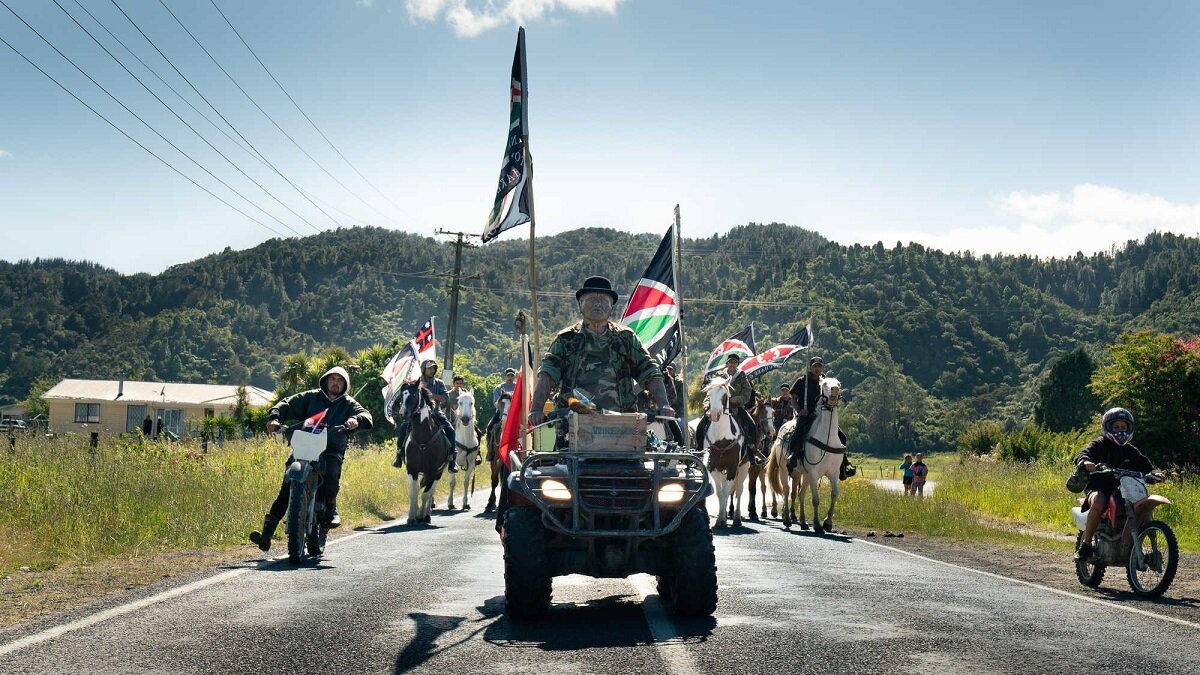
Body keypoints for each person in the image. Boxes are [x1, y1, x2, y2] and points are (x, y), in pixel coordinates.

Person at [250, 367, 372, 549]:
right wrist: (274, 417)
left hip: (331, 449)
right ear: (325, 380)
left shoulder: (348, 403)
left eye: (340, 380)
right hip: (306, 445)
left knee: (331, 473)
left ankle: (331, 509)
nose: (335, 382)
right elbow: (287, 404)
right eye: (332, 379)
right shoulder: (311, 397)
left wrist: (356, 420)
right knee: (286, 486)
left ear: (345, 384)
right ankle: (266, 535)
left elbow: (366, 415)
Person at [1072, 408, 1164, 562]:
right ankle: (1086, 545)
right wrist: (1086, 462)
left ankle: (1132, 545)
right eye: (1116, 427)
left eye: (1124, 427)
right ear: (1108, 427)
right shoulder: (1099, 444)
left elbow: (1147, 466)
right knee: (1100, 500)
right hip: (1099, 487)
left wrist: (1156, 474)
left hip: (1124, 490)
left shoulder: (1131, 451)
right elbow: (1082, 454)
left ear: (1129, 429)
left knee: (1142, 504)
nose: (1120, 431)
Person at [692, 353, 761, 463]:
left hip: (735, 408)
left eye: (735, 362)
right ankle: (699, 449)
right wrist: (707, 405)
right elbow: (710, 393)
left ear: (737, 364)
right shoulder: (718, 376)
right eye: (730, 362)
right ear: (727, 363)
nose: (732, 364)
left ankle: (751, 451)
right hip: (718, 407)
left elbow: (747, 394)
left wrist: (736, 400)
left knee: (750, 424)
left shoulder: (742, 377)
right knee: (702, 424)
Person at [393, 360, 458, 473]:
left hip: (436, 413)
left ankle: (452, 458)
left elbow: (445, 399)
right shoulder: (415, 383)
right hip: (416, 414)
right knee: (403, 428)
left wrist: (432, 395)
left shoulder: (439, 383)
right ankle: (399, 455)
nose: (432, 370)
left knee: (450, 430)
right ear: (423, 369)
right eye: (429, 368)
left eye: (433, 368)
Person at [786, 356, 825, 471]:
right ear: (810, 367)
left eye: (819, 366)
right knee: (798, 430)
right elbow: (793, 398)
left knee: (838, 433)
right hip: (806, 414)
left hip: (821, 414)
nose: (817, 369)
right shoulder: (802, 381)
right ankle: (793, 455)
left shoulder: (825, 382)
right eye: (814, 366)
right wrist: (799, 410)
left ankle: (843, 461)